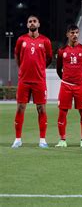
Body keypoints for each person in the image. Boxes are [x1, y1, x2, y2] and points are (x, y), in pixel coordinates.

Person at [11, 15, 53, 148]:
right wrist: (23, 68)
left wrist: (40, 68)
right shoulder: (21, 40)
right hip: (24, 80)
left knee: (41, 109)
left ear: (39, 24)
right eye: (30, 22)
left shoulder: (45, 41)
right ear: (27, 25)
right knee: (20, 108)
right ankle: (18, 139)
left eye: (34, 21)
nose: (32, 23)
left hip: (39, 81)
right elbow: (17, 56)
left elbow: (49, 58)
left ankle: (42, 140)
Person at [55, 24, 82, 148]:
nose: (74, 35)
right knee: (62, 113)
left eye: (76, 32)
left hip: (80, 86)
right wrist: (66, 80)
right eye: (72, 33)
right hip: (66, 86)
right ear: (67, 34)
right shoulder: (62, 51)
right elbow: (58, 69)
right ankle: (62, 140)